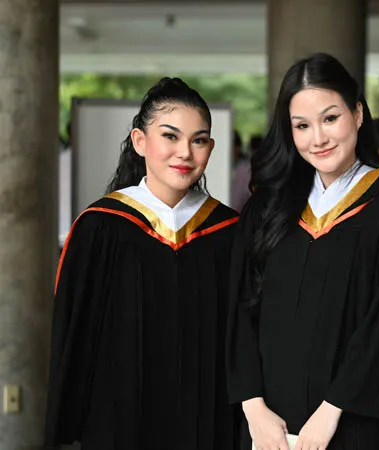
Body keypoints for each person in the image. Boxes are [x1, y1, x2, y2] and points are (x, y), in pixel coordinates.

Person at [226, 53, 379, 450]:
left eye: (330, 118)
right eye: (302, 125)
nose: (318, 138)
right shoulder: (267, 207)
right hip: (267, 429)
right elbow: (240, 308)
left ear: (357, 114)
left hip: (352, 422)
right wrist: (253, 409)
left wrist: (331, 411)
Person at [45, 77, 240, 450]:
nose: (184, 152)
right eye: (170, 136)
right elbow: (75, 332)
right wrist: (67, 423)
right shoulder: (100, 226)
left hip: (208, 420)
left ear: (211, 148)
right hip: (118, 420)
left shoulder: (229, 232)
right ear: (140, 141)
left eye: (198, 140)